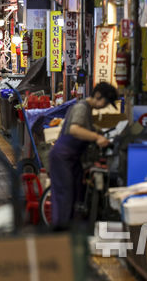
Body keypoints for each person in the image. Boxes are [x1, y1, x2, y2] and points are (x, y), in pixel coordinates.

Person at [49, 82, 118, 227]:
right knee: (65, 194)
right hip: (63, 156)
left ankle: (70, 230)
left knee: (74, 193)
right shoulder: (81, 107)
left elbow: (84, 128)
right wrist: (96, 137)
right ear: (98, 96)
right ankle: (60, 232)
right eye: (106, 103)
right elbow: (74, 130)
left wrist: (99, 132)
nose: (105, 107)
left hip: (71, 159)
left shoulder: (86, 110)